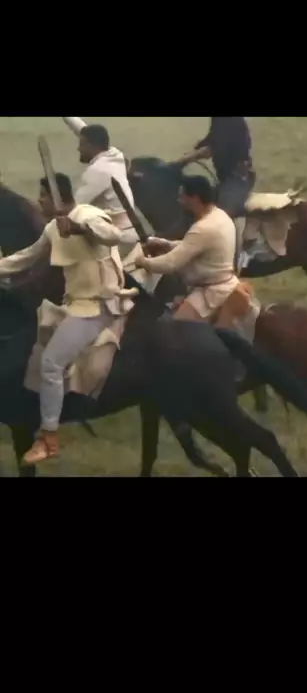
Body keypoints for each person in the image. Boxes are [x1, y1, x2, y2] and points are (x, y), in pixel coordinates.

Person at [0, 173, 134, 465]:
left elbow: (113, 235)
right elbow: (26, 257)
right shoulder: (52, 228)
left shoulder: (89, 214)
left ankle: (49, 437)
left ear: (57, 198)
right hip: (73, 305)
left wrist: (77, 227)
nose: (39, 201)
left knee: (51, 363)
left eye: (43, 196)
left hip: (98, 308)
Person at [135, 174, 253, 324]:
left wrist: (142, 262)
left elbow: (170, 264)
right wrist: (166, 244)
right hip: (223, 284)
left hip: (211, 293)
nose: (179, 200)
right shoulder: (220, 216)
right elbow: (193, 246)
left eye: (182, 197)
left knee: (175, 328)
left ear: (194, 198)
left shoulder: (202, 228)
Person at [175, 117, 256, 267]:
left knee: (222, 216)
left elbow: (214, 148)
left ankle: (237, 258)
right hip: (226, 179)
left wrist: (186, 159)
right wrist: (197, 147)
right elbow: (213, 137)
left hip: (238, 179)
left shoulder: (231, 120)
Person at [62, 118, 138, 260]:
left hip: (119, 238)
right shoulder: (114, 155)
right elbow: (84, 130)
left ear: (92, 146)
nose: (78, 149)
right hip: (129, 230)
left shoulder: (98, 171)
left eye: (81, 144)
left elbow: (74, 207)